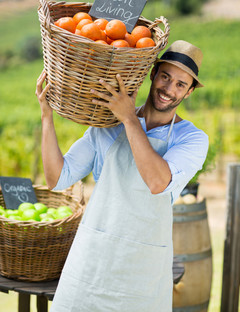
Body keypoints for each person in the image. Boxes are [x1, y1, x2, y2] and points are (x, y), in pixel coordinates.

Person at [36, 40, 209, 312]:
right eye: (165, 77)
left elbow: (157, 182)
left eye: (180, 84)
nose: (169, 89)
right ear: (153, 74)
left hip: (142, 269)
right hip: (92, 260)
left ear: (188, 92)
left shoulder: (192, 139)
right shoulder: (107, 126)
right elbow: (58, 178)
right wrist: (47, 116)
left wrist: (129, 119)